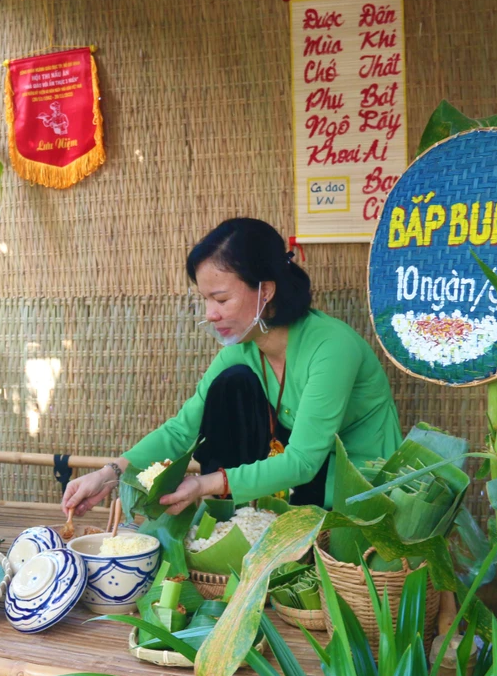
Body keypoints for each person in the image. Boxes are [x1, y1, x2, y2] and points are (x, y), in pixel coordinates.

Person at [62, 218, 402, 518]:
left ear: (265, 290)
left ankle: (249, 514)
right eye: (205, 299)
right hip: (300, 479)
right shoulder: (243, 347)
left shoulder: (331, 347)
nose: (211, 313)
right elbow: (182, 430)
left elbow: (302, 461)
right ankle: (236, 518)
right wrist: (109, 474)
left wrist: (206, 484)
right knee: (231, 384)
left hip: (358, 491)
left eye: (221, 299)